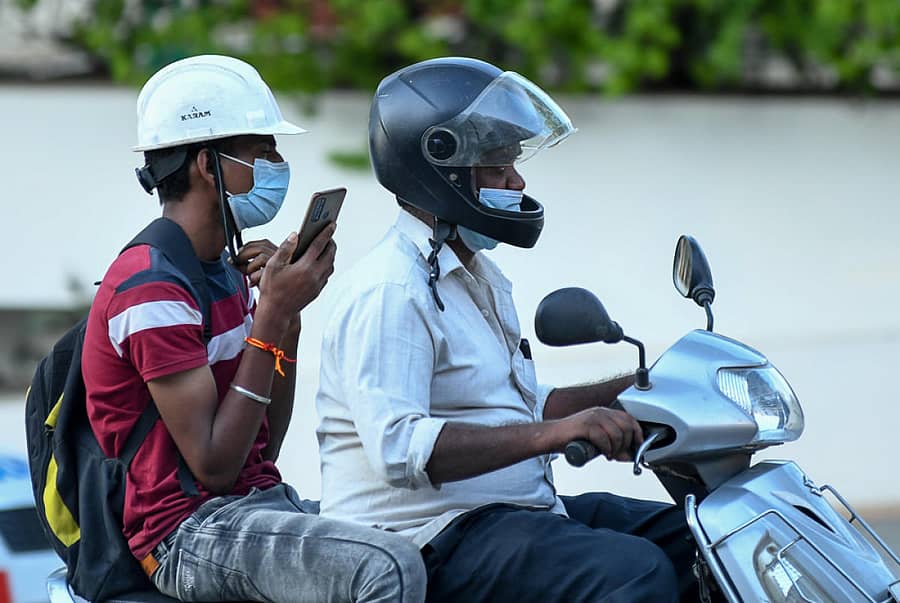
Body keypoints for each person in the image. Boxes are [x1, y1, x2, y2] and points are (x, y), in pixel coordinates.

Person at [315, 57, 701, 602]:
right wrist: (559, 434)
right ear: (442, 168)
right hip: (429, 538)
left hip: (515, 515)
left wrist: (634, 389)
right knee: (634, 573)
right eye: (499, 167)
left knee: (704, 538)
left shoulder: (477, 275)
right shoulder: (391, 291)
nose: (517, 182)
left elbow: (516, 406)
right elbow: (399, 449)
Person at [82, 54, 426, 603]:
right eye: (260, 151)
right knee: (388, 567)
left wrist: (284, 317)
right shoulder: (150, 288)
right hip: (186, 532)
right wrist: (269, 317)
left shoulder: (225, 269)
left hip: (254, 504)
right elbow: (216, 467)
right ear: (205, 163)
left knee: (436, 542)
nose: (277, 163)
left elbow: (262, 447)